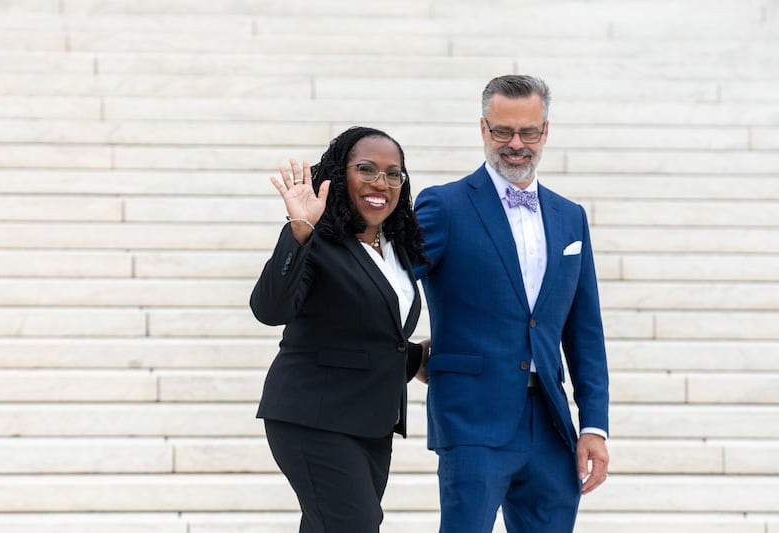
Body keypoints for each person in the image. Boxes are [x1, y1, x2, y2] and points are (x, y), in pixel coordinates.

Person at [413, 75, 610, 532]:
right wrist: (406, 353)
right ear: (483, 129)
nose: (516, 144)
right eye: (503, 131)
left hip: (551, 425)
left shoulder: (570, 217)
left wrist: (593, 426)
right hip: (472, 420)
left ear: (546, 132)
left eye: (528, 132)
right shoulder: (444, 205)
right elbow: (390, 284)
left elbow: (585, 334)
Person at [250, 126, 430, 533]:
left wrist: (416, 356)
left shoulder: (395, 249)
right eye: (366, 169)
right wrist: (298, 230)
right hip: (314, 419)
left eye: (392, 173)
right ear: (339, 174)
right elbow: (269, 309)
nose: (380, 183)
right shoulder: (318, 241)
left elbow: (364, 330)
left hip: (370, 422)